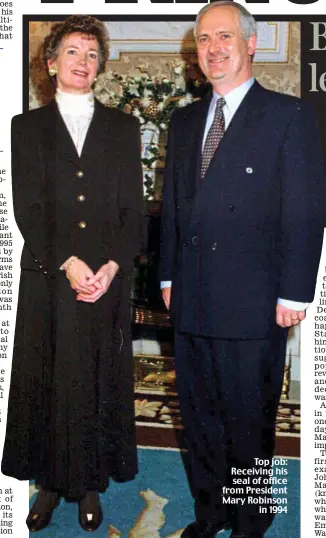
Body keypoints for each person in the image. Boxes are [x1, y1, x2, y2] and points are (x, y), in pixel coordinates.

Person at [160, 2, 325, 538]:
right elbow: (173, 209)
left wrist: (297, 293)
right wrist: (166, 277)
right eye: (204, 39)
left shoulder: (288, 115)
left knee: (249, 420)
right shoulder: (184, 122)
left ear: (250, 44)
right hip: (191, 298)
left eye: (225, 37)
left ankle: (252, 522)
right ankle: (211, 514)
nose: (213, 48)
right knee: (200, 419)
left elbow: (304, 208)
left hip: (254, 302)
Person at [1, 15, 144, 532]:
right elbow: (29, 208)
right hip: (49, 273)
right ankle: (47, 486)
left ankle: (88, 485)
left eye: (91, 53)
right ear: (51, 61)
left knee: (93, 379)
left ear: (99, 64)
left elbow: (134, 207)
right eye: (72, 51)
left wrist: (110, 265)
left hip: (105, 280)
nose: (82, 61)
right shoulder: (27, 127)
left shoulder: (124, 128)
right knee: (48, 378)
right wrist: (69, 261)